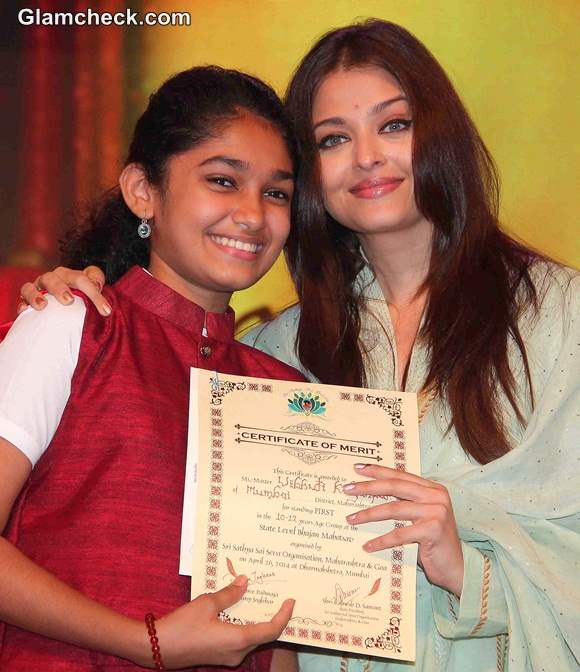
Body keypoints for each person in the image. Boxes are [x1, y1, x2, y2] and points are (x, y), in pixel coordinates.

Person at [19, 19, 580, 672]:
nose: (366, 156)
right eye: (334, 139)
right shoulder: (272, 355)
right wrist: (82, 297)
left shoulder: (562, 319)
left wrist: (468, 565)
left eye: (393, 125)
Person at [0, 65, 306, 670]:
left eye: (277, 193)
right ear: (144, 191)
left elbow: (276, 632)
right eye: (223, 180)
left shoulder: (282, 389)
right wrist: (145, 641)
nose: (252, 214)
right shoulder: (74, 322)